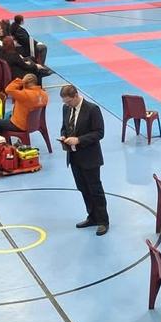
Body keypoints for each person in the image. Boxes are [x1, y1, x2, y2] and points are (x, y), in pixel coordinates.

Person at [59, 84, 109, 235]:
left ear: (75, 96)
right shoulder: (66, 108)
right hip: (74, 156)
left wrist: (79, 140)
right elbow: (65, 126)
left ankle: (103, 221)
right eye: (65, 102)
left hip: (90, 157)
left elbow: (99, 133)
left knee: (95, 189)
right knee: (83, 188)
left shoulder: (92, 109)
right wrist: (64, 135)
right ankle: (92, 216)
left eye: (69, 101)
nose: (67, 105)